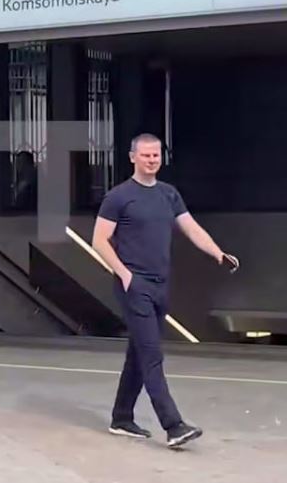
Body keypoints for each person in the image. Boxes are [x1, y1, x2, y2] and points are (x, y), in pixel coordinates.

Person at [92, 133, 239, 449]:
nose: (151, 160)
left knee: (139, 352)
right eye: (145, 155)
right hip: (135, 286)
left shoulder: (169, 194)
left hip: (161, 284)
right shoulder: (118, 197)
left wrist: (218, 253)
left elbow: (191, 228)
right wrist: (125, 275)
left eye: (156, 155)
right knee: (152, 355)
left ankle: (121, 418)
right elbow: (99, 241)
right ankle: (173, 425)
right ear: (132, 157)